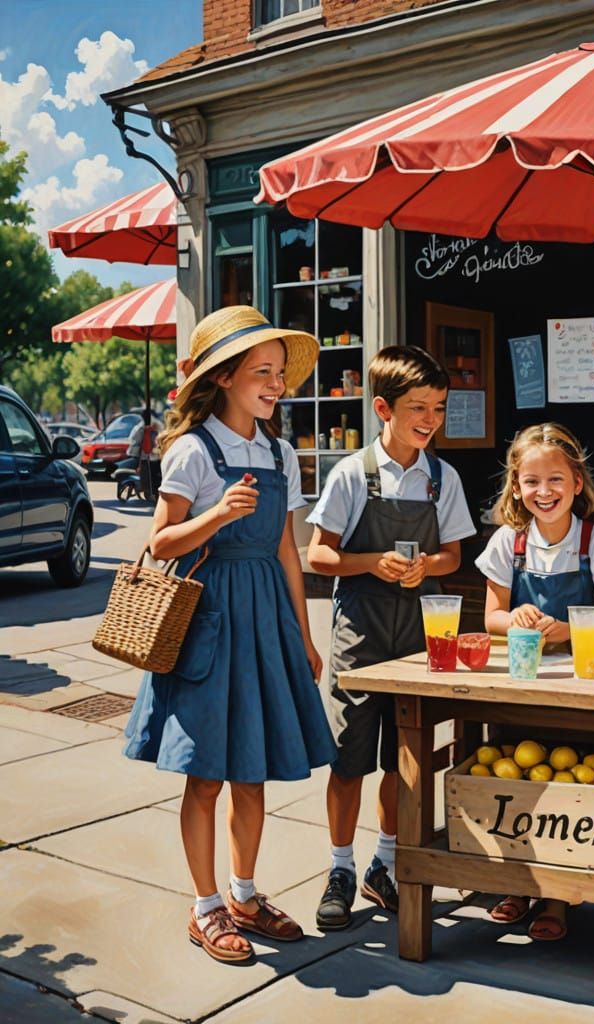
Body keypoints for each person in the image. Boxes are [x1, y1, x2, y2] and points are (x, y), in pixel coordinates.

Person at [122, 305, 339, 964]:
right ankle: (206, 905)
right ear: (223, 378)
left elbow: (287, 553)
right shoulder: (191, 449)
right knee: (206, 774)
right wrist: (216, 514)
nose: (276, 385)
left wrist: (304, 636)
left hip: (267, 618)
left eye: (279, 373)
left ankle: (245, 895)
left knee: (254, 771)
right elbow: (160, 543)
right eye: (262, 373)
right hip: (208, 620)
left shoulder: (279, 452)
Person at [306, 345, 475, 931]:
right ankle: (339, 870)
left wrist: (427, 567)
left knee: (405, 760)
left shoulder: (441, 479)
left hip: (418, 633)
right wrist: (372, 562)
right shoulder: (352, 473)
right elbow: (318, 554)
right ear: (383, 408)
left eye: (439, 408)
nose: (430, 419)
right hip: (360, 632)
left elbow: (454, 554)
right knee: (349, 758)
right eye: (417, 408)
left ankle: (386, 863)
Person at [476, 422, 594, 941]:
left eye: (556, 480)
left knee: (569, 789)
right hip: (521, 687)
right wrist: (515, 617)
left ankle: (559, 897)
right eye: (532, 481)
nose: (545, 492)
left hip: (582, 687)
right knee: (516, 788)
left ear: (577, 483)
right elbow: (490, 617)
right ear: (515, 487)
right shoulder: (507, 542)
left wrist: (566, 629)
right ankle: (516, 882)